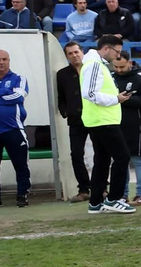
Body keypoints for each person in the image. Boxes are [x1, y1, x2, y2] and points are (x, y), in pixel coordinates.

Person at [80, 35, 135, 215]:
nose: (118, 56)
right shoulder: (95, 65)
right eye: (117, 52)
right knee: (122, 157)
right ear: (106, 48)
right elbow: (90, 93)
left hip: (99, 119)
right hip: (102, 120)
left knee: (102, 161)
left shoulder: (95, 64)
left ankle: (96, 201)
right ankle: (114, 198)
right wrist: (116, 99)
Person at [0, 49, 30, 207]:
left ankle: (22, 195)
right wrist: (5, 91)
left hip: (13, 129)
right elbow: (10, 96)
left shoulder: (19, 79)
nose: (1, 62)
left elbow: (18, 97)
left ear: (9, 60)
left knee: (21, 165)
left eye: (4, 59)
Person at [111, 52, 141, 205]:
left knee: (138, 159)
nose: (118, 70)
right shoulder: (111, 78)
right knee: (120, 160)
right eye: (116, 67)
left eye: (122, 66)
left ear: (130, 63)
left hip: (136, 126)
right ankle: (122, 195)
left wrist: (127, 100)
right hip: (115, 125)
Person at [55, 41, 92, 201]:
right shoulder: (62, 74)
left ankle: (102, 186)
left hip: (95, 117)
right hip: (75, 120)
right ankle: (84, 189)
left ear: (82, 52)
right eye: (70, 53)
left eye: (76, 52)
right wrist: (65, 112)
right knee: (76, 155)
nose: (74, 55)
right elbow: (61, 97)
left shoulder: (92, 69)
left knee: (102, 153)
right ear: (66, 56)